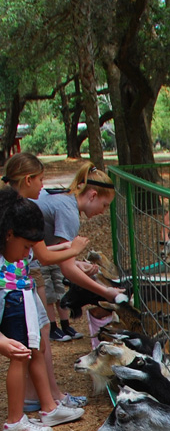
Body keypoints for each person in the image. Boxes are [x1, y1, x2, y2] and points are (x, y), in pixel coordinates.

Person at [3, 153, 89, 409]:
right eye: (40, 179)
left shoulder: (11, 206)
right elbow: (42, 255)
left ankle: (49, 401)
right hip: (16, 286)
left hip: (19, 283)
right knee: (28, 348)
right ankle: (33, 409)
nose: (43, 185)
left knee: (35, 343)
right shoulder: (24, 211)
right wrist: (74, 250)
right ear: (28, 179)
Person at [35, 161, 128, 340]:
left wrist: (76, 263)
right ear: (93, 195)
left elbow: (61, 257)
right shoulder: (69, 212)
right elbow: (66, 269)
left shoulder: (64, 199)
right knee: (41, 330)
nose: (103, 211)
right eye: (105, 205)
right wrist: (105, 291)